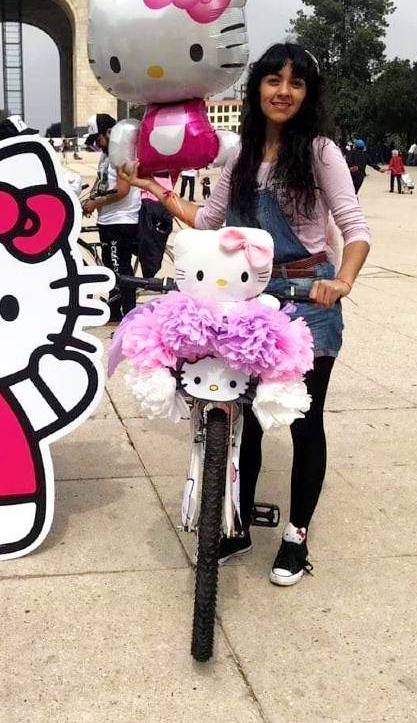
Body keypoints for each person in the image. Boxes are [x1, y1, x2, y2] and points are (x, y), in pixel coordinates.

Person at [119, 43, 371, 586]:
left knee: (305, 422)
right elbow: (207, 220)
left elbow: (355, 229)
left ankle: (297, 536)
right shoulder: (240, 156)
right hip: (249, 302)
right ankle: (235, 522)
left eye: (296, 83)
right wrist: (154, 189)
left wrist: (341, 281)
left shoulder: (322, 152)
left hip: (309, 298)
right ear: (257, 89)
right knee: (242, 420)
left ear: (308, 94)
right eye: (274, 81)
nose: (284, 92)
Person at [82, 113, 142, 322]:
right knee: (110, 268)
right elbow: (102, 182)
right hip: (108, 219)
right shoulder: (107, 154)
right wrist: (90, 197)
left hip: (121, 220)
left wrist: (96, 203)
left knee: (120, 269)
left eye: (98, 139)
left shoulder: (122, 154)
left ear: (109, 133)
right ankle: (115, 313)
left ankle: (129, 316)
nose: (97, 145)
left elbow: (122, 190)